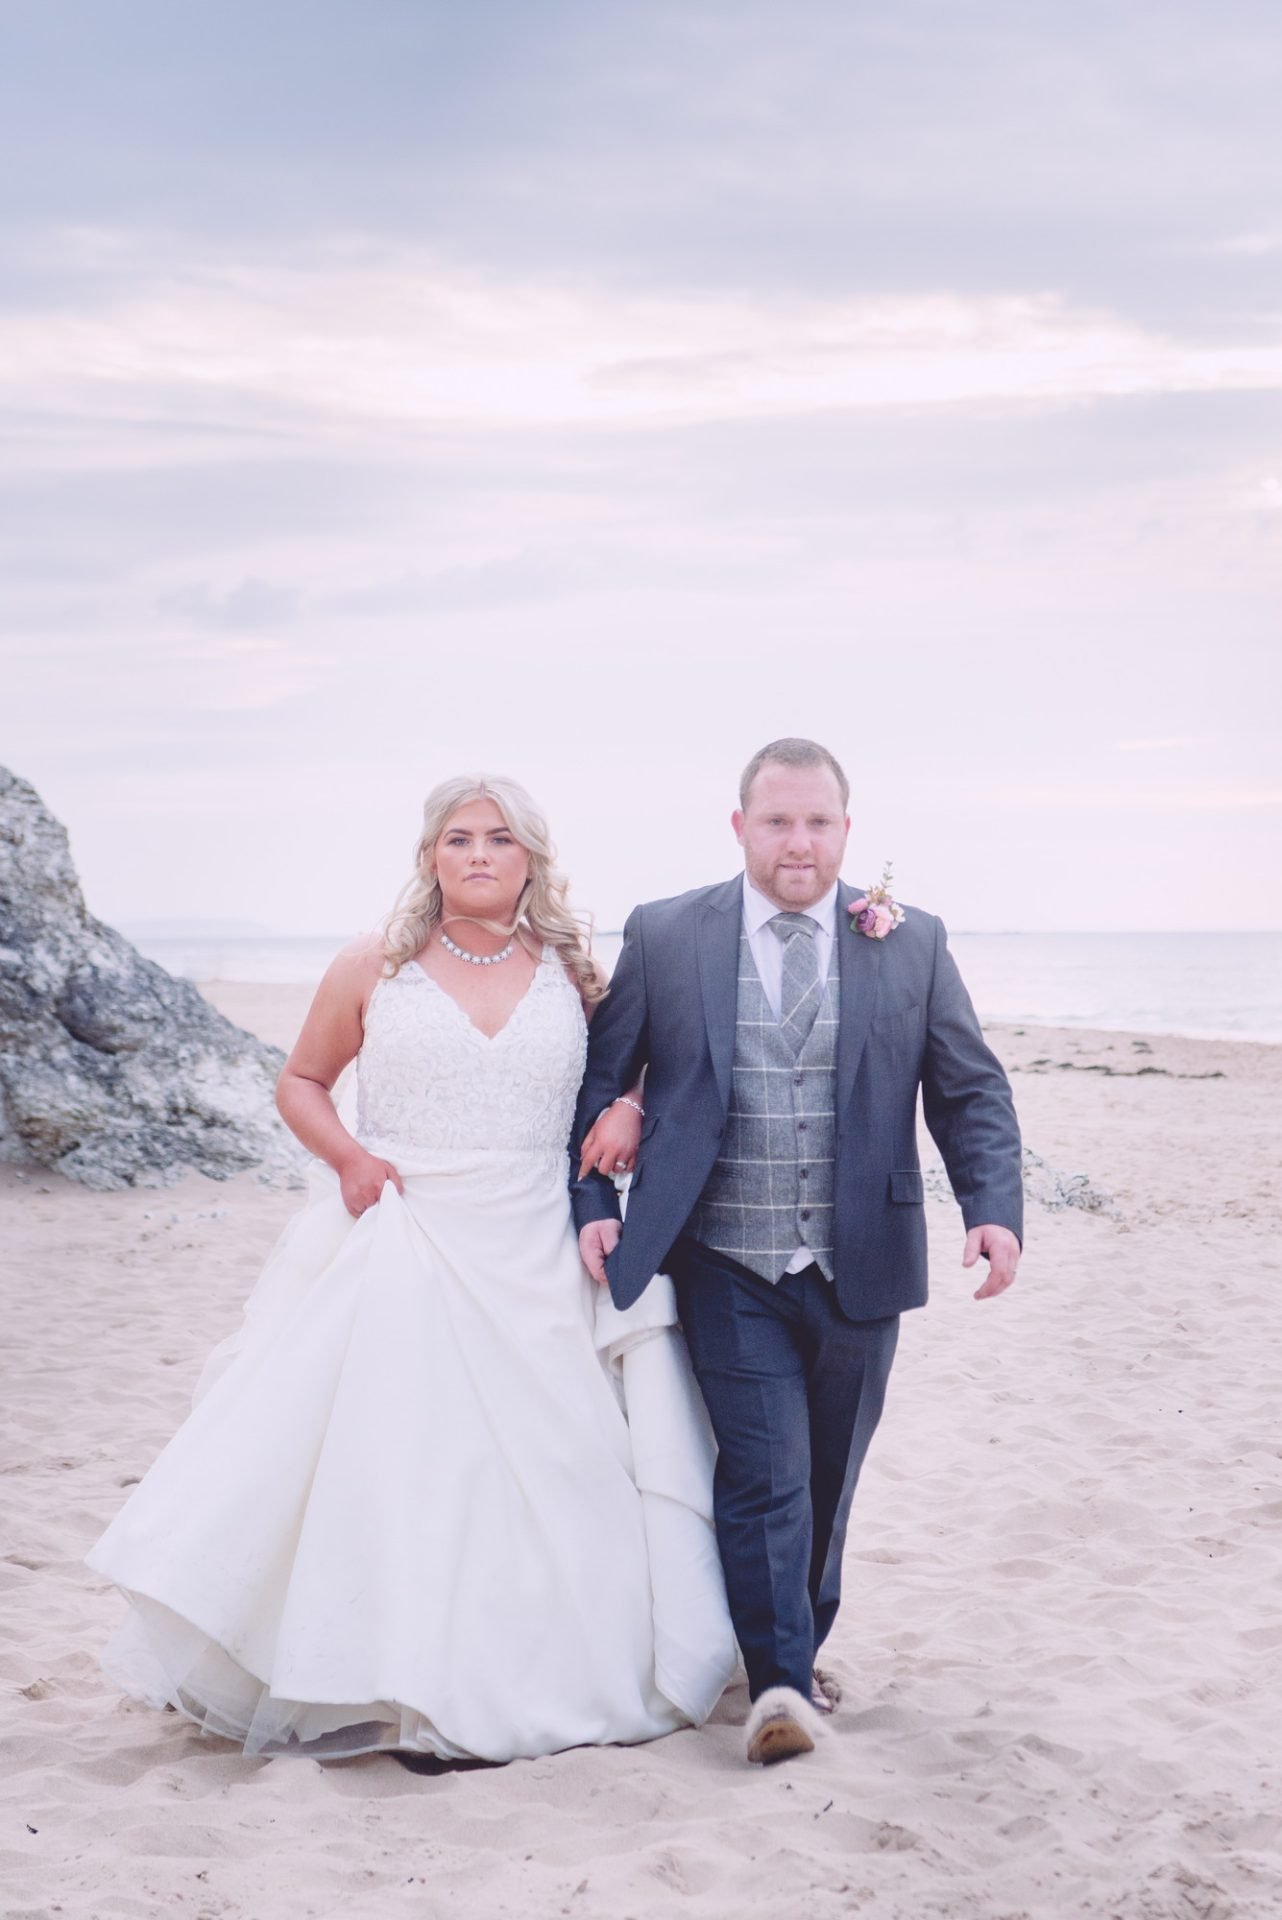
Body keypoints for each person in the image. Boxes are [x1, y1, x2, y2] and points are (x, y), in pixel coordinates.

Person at [88, 775, 736, 1763]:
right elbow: (300, 1081)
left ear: (531, 858)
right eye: (459, 838)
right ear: (431, 857)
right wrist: (348, 1158)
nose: (479, 854)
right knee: (405, 1463)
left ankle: (527, 1672)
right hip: (408, 1231)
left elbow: (630, 1073)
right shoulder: (372, 966)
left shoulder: (575, 972)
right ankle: (381, 1677)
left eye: (500, 839)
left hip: (535, 1245)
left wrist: (630, 1109)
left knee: (560, 1466)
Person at [573, 738, 1023, 1766]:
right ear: (739, 828)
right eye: (777, 821)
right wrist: (595, 1193)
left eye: (818, 822)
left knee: (829, 1478)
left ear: (846, 832)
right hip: (724, 1254)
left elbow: (967, 1088)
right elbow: (601, 1083)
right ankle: (777, 1679)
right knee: (765, 1471)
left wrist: (990, 1209)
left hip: (863, 1256)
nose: (798, 842)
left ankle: (797, 1646)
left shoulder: (908, 941)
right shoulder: (668, 932)